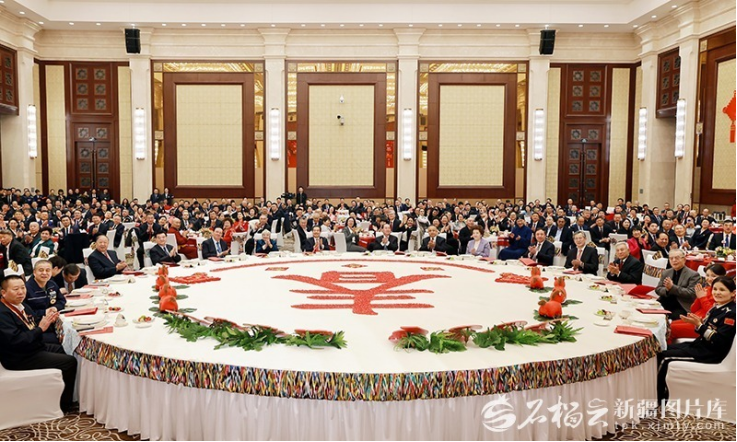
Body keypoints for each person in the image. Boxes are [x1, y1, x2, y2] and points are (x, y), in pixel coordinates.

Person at [0, 275, 78, 412]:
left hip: (32, 347)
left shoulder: (22, 305)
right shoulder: (3, 313)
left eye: (23, 288)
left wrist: (48, 319)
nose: (21, 292)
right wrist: (41, 328)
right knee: (69, 362)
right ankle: (65, 405)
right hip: (19, 357)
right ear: (3, 293)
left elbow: (35, 320)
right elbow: (16, 340)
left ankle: (58, 394)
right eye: (16, 289)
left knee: (63, 349)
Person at [657, 276, 736, 402]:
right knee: (662, 348)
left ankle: (659, 397)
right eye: (715, 289)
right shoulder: (718, 307)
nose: (717, 293)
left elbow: (719, 341)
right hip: (700, 345)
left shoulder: (731, 313)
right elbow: (705, 327)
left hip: (710, 353)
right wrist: (697, 323)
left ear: (733, 293)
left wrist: (699, 325)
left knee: (664, 357)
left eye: (722, 290)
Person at [670, 264, 727, 342]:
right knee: (667, 325)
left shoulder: (722, 293)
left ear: (723, 276)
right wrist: (698, 297)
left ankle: (666, 349)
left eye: (713, 276)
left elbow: (713, 312)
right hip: (695, 319)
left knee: (670, 329)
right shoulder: (706, 289)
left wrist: (702, 298)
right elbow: (693, 310)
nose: (709, 279)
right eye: (707, 275)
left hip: (705, 325)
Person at [24, 260, 65, 344]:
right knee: (61, 340)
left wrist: (55, 308)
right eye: (41, 270)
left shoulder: (52, 285)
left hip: (54, 323)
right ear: (34, 272)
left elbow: (62, 300)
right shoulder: (26, 288)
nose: (44, 273)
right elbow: (25, 312)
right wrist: (44, 312)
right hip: (36, 327)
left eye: (48, 270)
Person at [655, 249, 701, 320]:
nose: (674, 260)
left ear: (684, 259)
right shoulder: (666, 272)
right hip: (664, 302)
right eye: (671, 258)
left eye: (677, 258)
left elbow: (691, 294)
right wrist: (667, 290)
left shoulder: (693, 275)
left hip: (681, 305)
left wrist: (672, 287)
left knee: (670, 317)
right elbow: (658, 289)